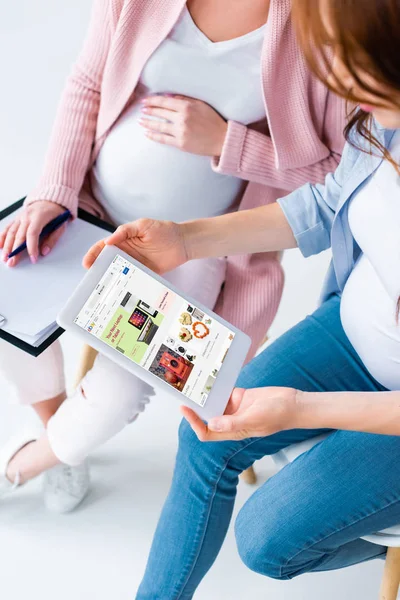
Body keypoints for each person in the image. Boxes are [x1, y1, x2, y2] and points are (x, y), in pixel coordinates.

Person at [83, 0, 400, 594]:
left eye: (354, 68)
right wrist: (185, 239)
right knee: (203, 430)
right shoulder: (382, 119)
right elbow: (325, 201)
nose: (339, 89)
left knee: (267, 544)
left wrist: (304, 411)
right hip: (351, 334)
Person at [0, 0, 345, 512]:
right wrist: (53, 192)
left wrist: (227, 142)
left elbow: (335, 176)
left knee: (121, 389)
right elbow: (88, 83)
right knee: (9, 287)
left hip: (196, 248)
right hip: (93, 208)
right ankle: (58, 428)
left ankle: (25, 464)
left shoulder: (321, 22)